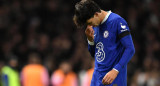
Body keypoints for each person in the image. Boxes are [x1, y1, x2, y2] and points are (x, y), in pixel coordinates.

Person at [73, 0, 135, 86]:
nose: (90, 26)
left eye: (90, 22)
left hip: (113, 79)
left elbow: (130, 49)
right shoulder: (95, 26)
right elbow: (95, 55)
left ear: (96, 14)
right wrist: (90, 40)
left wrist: (116, 70)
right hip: (96, 79)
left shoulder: (117, 21)